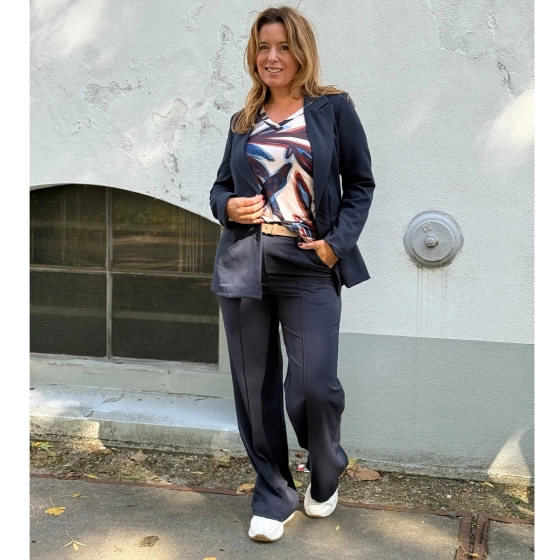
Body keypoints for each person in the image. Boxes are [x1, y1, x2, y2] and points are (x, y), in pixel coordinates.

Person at [209, 5, 375, 542]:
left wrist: (335, 246)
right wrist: (227, 207)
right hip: (246, 262)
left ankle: (326, 469)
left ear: (302, 51)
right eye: (263, 47)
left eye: (283, 46)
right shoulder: (244, 119)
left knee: (313, 386)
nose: (272, 57)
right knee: (254, 389)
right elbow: (221, 187)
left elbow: (361, 184)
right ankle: (273, 493)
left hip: (308, 262)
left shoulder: (333, 108)